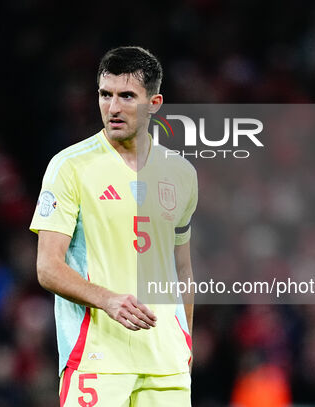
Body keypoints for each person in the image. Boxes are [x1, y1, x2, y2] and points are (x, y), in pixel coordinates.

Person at [29, 46, 198, 406]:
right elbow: (47, 267)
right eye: (105, 95)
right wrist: (108, 300)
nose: (114, 107)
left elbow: (182, 268)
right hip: (98, 360)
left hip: (166, 364)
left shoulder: (181, 174)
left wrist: (185, 342)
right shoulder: (70, 167)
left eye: (127, 96)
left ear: (154, 103)